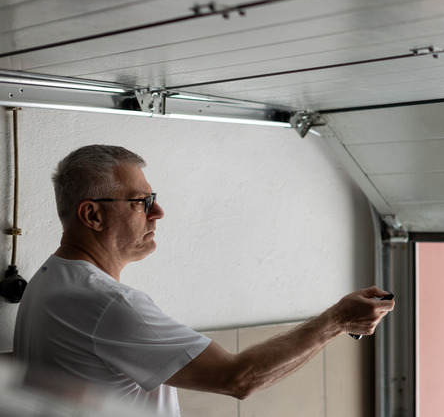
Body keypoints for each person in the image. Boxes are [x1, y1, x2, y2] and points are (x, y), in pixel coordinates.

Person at [13, 144, 394, 416]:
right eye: (140, 201)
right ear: (92, 215)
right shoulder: (108, 305)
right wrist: (337, 320)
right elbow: (238, 378)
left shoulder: (49, 280)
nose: (158, 212)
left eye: (153, 198)